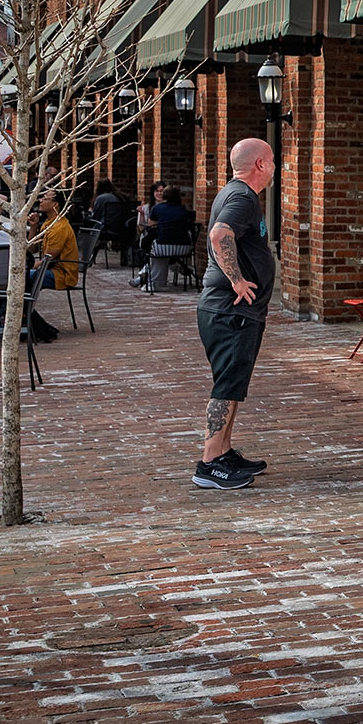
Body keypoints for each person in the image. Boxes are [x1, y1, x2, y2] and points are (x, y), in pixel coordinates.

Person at [193, 138, 275, 491]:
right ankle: (210, 464)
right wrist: (238, 280)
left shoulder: (235, 194)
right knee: (227, 384)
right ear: (260, 164)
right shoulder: (241, 198)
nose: (275, 167)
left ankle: (224, 452)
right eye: (271, 160)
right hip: (231, 310)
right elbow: (219, 234)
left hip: (234, 311)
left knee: (233, 382)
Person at [139, 186, 194, 292]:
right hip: (184, 248)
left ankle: (153, 281)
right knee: (158, 243)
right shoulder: (183, 210)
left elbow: (151, 225)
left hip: (162, 248)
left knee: (152, 244)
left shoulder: (158, 208)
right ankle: (176, 266)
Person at [90, 180, 131, 258]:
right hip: (122, 229)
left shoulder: (100, 198)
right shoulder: (120, 197)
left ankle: (89, 255)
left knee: (91, 228)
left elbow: (96, 217)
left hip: (105, 229)